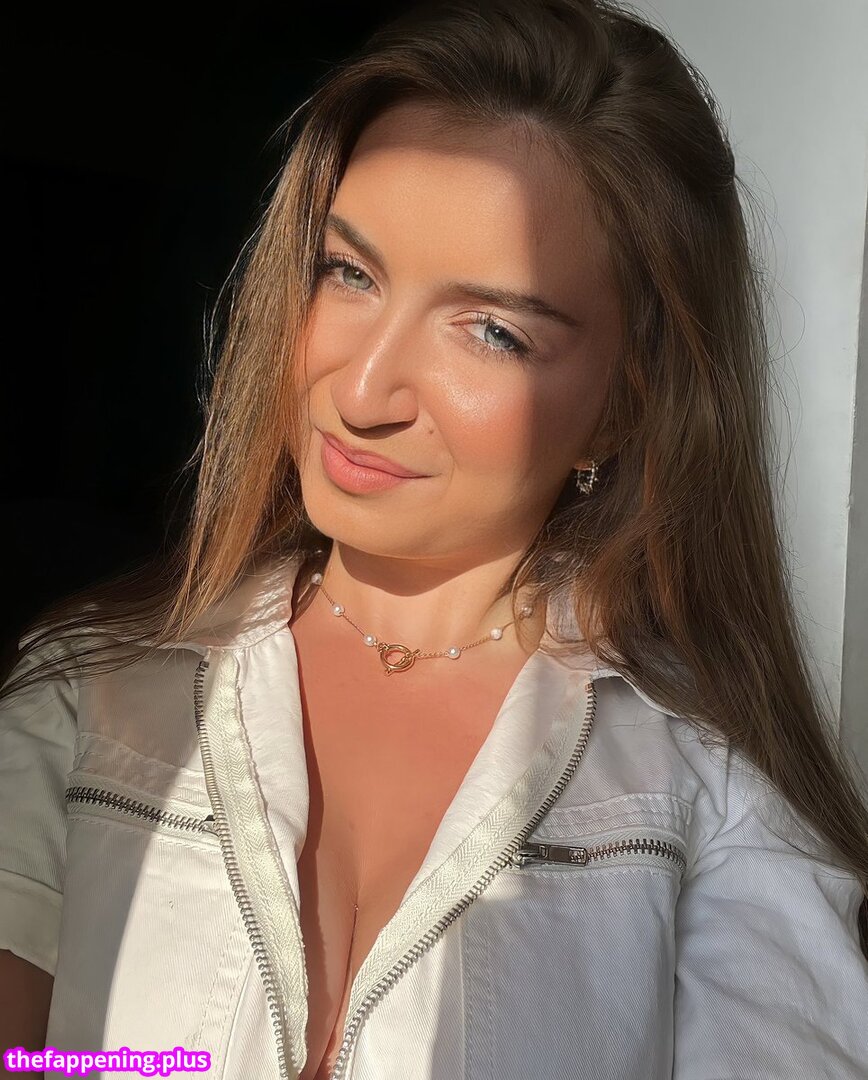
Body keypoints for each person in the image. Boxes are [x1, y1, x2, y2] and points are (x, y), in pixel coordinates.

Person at [2, 1, 867, 1077]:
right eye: (348, 273)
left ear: (624, 407)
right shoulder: (84, 694)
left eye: (491, 331)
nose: (360, 391)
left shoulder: (720, 801)